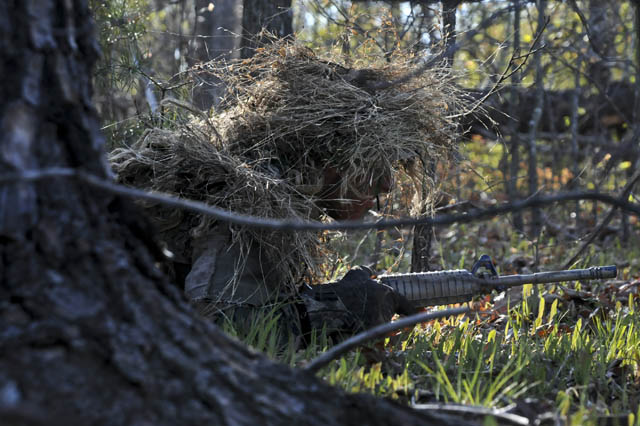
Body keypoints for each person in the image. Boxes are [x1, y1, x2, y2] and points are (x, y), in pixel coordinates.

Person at [179, 165, 417, 341]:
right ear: (332, 163)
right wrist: (330, 311)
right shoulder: (247, 208)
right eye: (374, 162)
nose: (388, 185)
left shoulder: (289, 206)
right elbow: (211, 330)